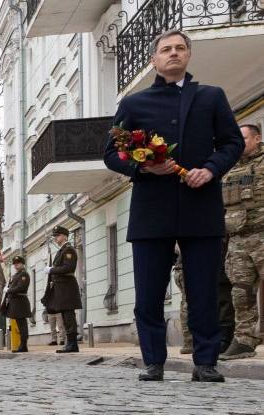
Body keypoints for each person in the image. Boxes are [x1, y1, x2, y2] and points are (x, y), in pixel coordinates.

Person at [104, 30, 244, 382]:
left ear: (189, 56)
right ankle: (153, 361)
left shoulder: (212, 97)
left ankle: (206, 362)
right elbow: (111, 154)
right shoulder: (134, 104)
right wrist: (143, 166)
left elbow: (230, 143)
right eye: (166, 49)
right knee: (149, 292)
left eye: (180, 48)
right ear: (154, 59)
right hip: (152, 209)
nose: (173, 53)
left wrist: (210, 169)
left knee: (204, 290)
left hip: (201, 206)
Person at [219, 123, 264, 361]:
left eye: (244, 138)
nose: (239, 143)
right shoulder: (228, 168)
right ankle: (245, 340)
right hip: (238, 239)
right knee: (240, 292)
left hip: (263, 233)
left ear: (257, 139)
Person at [41, 226, 81, 354]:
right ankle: (70, 343)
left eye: (57, 235)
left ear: (64, 235)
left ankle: (73, 343)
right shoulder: (61, 251)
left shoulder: (68, 250)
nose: (55, 238)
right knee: (65, 316)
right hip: (62, 287)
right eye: (55, 235)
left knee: (69, 316)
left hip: (67, 287)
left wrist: (51, 270)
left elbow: (68, 268)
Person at [3, 256, 32, 352]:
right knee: (19, 324)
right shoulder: (16, 275)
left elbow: (20, 288)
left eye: (18, 263)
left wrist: (9, 290)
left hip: (20, 301)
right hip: (15, 302)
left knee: (22, 324)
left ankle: (24, 344)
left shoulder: (24, 274)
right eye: (15, 264)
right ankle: (22, 344)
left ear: (22, 264)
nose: (16, 265)